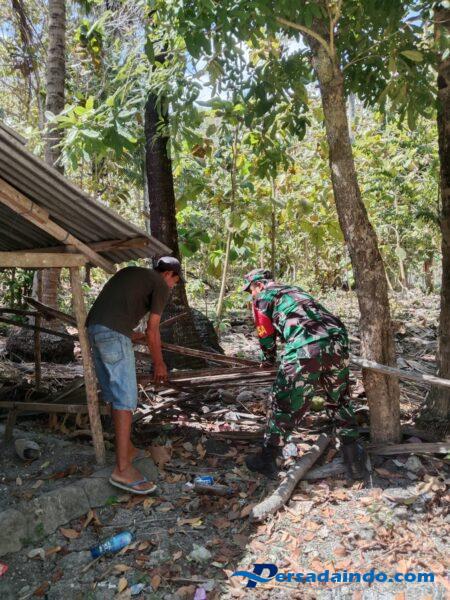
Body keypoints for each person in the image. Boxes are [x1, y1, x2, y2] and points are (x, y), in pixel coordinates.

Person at [242, 268, 367, 479]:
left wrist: (268, 359)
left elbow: (265, 333)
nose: (251, 294)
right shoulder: (296, 290)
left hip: (306, 344)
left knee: (283, 401)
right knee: (339, 398)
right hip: (337, 340)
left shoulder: (263, 297)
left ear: (260, 285)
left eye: (250, 290)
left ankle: (267, 459)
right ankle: (353, 456)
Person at [86, 256, 183, 494]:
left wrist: (130, 335)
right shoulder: (160, 284)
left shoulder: (132, 272)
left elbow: (113, 315)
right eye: (175, 282)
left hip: (94, 330)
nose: (172, 286)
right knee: (126, 399)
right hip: (113, 334)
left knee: (113, 394)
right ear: (169, 274)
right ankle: (122, 468)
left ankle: (127, 448)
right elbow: (153, 329)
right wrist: (159, 363)